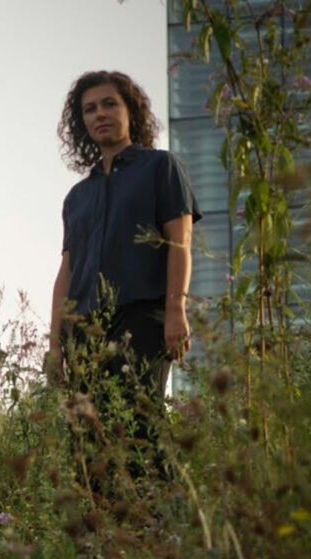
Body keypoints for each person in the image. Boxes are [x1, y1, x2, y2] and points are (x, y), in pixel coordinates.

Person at [47, 70, 200, 478]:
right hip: (83, 330)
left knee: (140, 426)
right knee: (87, 436)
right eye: (90, 109)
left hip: (141, 319)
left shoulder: (160, 167)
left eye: (109, 104)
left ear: (130, 110)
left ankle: (159, 530)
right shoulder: (77, 196)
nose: (100, 114)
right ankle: (103, 535)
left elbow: (180, 241)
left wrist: (175, 309)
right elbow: (66, 271)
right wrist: (56, 344)